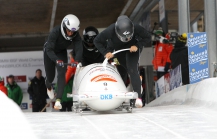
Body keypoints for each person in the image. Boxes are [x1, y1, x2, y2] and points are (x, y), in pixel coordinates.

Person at [94, 15, 151, 108]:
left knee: (132, 69)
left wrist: (138, 45)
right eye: (125, 37)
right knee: (123, 71)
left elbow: (147, 37)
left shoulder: (136, 27)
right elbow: (97, 41)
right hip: (118, 50)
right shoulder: (110, 30)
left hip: (132, 48)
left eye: (129, 36)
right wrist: (106, 52)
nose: (127, 39)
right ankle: (136, 81)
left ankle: (138, 98)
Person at [43, 14, 83, 110]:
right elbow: (49, 50)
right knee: (50, 77)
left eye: (73, 32)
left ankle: (58, 100)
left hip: (61, 52)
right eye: (68, 31)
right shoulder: (55, 32)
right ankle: (48, 85)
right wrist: (56, 60)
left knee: (62, 73)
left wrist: (77, 60)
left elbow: (79, 48)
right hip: (49, 51)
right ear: (64, 27)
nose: (70, 34)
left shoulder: (76, 35)